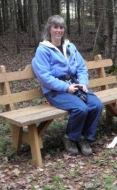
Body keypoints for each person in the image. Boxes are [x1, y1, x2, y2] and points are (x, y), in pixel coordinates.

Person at [32, 15, 103, 156]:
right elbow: (45, 77)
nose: (59, 30)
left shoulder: (70, 47)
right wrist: (66, 88)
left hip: (75, 86)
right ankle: (70, 138)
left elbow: (82, 67)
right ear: (49, 29)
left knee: (97, 105)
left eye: (61, 27)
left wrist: (83, 83)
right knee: (81, 109)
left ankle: (85, 138)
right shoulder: (43, 50)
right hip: (55, 91)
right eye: (55, 27)